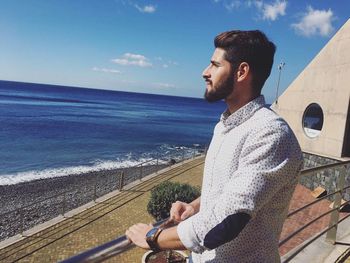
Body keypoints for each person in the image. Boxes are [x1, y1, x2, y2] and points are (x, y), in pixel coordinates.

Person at [126, 30, 303, 262]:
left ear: (241, 72)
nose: (204, 72)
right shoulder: (224, 125)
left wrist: (153, 237)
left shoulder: (270, 134)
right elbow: (232, 191)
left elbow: (229, 220)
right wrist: (196, 206)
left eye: (214, 65)